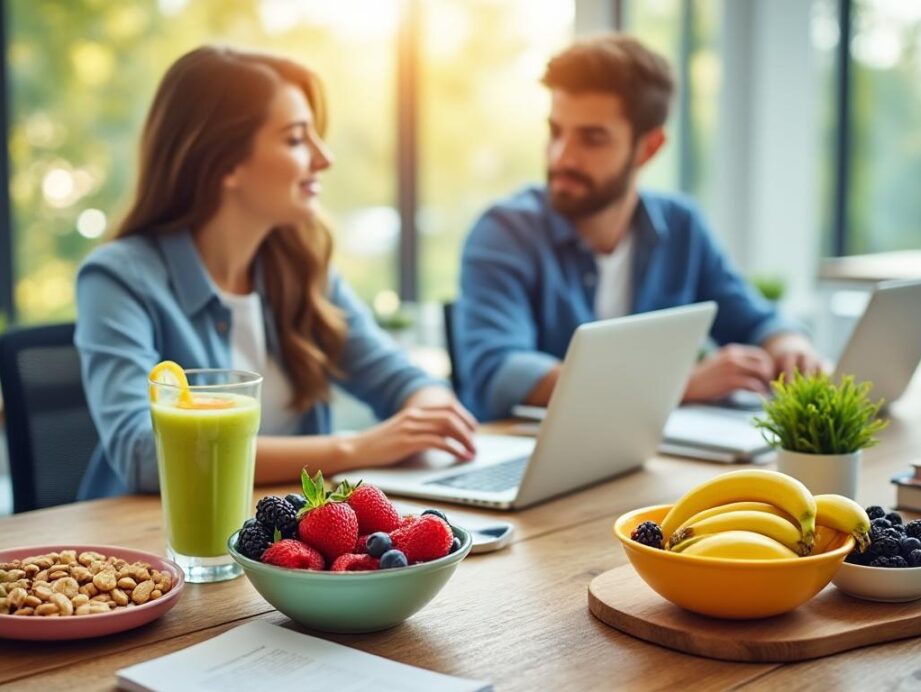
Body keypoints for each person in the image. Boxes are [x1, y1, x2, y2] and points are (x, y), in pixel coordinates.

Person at [75, 46, 476, 499]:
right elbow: (144, 453)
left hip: (282, 544)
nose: (324, 158)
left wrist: (428, 418)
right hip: (146, 551)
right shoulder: (118, 278)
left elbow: (405, 382)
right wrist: (356, 448)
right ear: (225, 163)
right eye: (296, 139)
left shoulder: (300, 266)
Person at [455, 33, 822, 421]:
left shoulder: (681, 225)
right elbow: (499, 373)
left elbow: (753, 318)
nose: (561, 157)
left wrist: (789, 344)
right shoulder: (504, 231)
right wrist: (679, 385)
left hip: (648, 455)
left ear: (648, 148)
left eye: (591, 139)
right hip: (525, 458)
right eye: (556, 132)